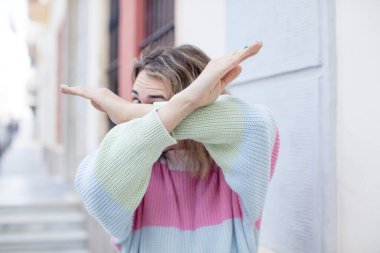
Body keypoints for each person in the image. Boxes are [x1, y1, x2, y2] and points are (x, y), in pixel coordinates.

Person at [60, 42, 280, 253]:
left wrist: (132, 113)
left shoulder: (234, 175)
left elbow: (257, 125)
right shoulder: (133, 174)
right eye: (135, 101)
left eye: (158, 103)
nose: (135, 117)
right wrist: (184, 104)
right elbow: (95, 188)